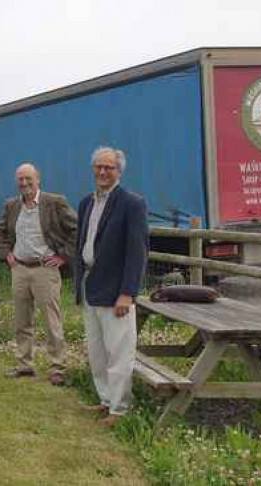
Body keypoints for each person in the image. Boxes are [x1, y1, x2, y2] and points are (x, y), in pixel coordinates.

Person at [75, 146, 149, 427]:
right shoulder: (86, 203)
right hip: (89, 285)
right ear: (93, 169)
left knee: (119, 352)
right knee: (97, 351)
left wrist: (128, 293)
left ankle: (119, 409)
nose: (103, 172)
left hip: (116, 290)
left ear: (119, 171)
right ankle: (105, 400)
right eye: (99, 167)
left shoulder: (132, 203)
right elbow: (81, 245)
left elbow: (137, 251)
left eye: (109, 167)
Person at [2, 163, 78, 385]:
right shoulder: (12, 205)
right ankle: (25, 365)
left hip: (45, 270)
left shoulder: (54, 202)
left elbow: (77, 228)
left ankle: (58, 368)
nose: (24, 183)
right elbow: (1, 230)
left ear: (38, 180)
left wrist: (63, 256)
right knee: (21, 321)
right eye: (20, 179)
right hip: (19, 269)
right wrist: (8, 252)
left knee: (51, 321)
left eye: (28, 179)